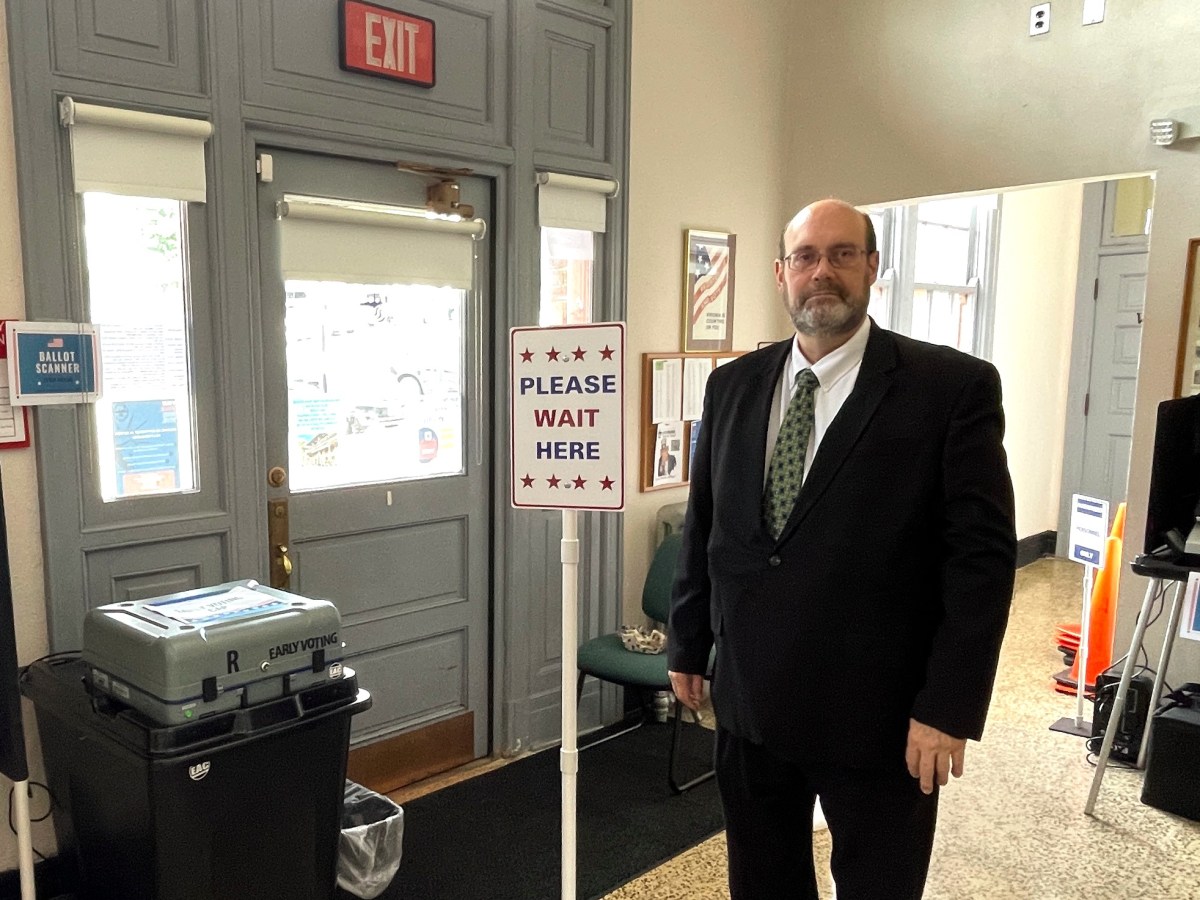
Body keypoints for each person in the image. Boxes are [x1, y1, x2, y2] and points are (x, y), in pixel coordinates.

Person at [667, 198, 1016, 900]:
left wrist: (948, 706)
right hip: (752, 698)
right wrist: (686, 640)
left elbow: (979, 562)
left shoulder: (949, 389)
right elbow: (706, 525)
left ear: (872, 268)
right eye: (805, 257)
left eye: (841, 254)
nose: (821, 272)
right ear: (780, 273)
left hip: (882, 715)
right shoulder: (732, 385)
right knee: (762, 883)